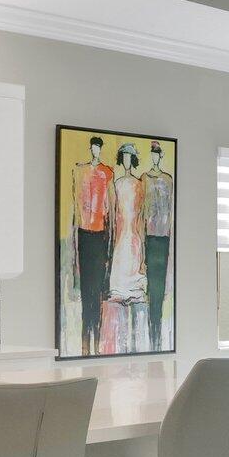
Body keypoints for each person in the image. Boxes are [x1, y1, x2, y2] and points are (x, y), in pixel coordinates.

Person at [68, 136, 114, 355]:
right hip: (85, 234)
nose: (95, 150)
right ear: (90, 148)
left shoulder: (107, 173)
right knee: (87, 289)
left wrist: (110, 245)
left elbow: (110, 211)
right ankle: (85, 342)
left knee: (97, 291)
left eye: (98, 148)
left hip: (100, 236)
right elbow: (75, 209)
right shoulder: (80, 171)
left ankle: (96, 343)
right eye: (93, 147)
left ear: (100, 150)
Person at [104, 142, 149, 351]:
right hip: (121, 230)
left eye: (130, 157)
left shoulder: (139, 184)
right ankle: (121, 290)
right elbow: (113, 213)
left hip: (133, 231)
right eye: (124, 157)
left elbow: (140, 215)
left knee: (132, 254)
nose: (127, 161)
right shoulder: (117, 183)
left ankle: (134, 289)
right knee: (121, 257)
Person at [143, 141, 174, 350]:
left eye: (157, 154)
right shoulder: (144, 178)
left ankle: (157, 334)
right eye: (152, 154)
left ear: (160, 156)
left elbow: (170, 212)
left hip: (163, 238)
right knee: (150, 288)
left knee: (159, 288)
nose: (154, 157)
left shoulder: (168, 180)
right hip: (149, 237)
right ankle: (151, 330)